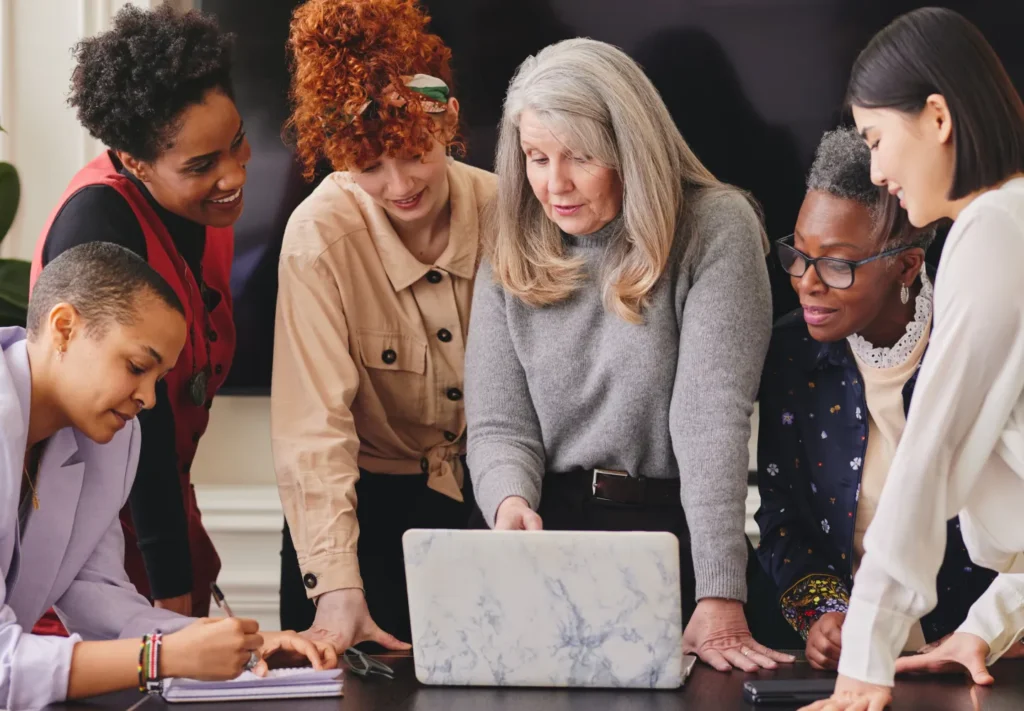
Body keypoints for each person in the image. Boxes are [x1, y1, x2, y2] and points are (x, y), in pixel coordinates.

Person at [464, 37, 794, 673]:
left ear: (629, 150)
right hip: (539, 537)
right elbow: (500, 423)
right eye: (536, 157)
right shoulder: (510, 236)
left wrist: (719, 591)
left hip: (665, 535)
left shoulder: (714, 226)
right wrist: (508, 504)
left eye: (580, 157)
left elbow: (710, 420)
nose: (554, 184)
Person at [800, 8, 1024, 711]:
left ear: (937, 117)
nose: (876, 170)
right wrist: (986, 626)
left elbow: (933, 449)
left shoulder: (994, 230)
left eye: (876, 138)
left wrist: (866, 659)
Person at [0, 243, 335, 710]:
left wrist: (242, 647)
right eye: (137, 366)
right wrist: (161, 657)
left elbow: (98, 596)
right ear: (64, 328)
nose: (149, 398)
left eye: (158, 378)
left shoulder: (114, 438)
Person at [272, 0, 495, 651]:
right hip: (359, 519)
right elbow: (313, 428)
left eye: (412, 152)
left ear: (446, 120)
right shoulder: (318, 239)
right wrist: (337, 585)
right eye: (368, 167)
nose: (399, 186)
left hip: (491, 506)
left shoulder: (509, 214)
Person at [29, 4, 249, 626]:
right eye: (201, 166)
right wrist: (169, 581)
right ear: (135, 160)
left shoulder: (208, 211)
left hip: (168, 520)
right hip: (97, 548)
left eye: (236, 142)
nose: (234, 174)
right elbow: (140, 423)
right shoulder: (98, 220)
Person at [756, 126, 1000, 671]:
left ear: (907, 266)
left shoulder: (975, 338)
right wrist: (825, 615)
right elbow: (781, 516)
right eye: (798, 254)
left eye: (836, 264)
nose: (807, 282)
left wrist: (990, 630)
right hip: (854, 660)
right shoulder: (790, 353)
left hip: (981, 656)